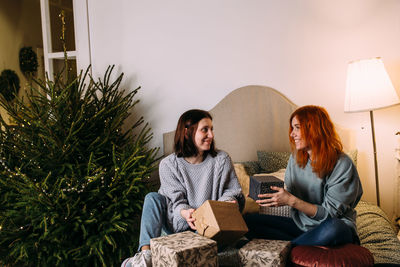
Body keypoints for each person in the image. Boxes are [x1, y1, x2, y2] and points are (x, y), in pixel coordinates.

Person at [121, 109, 244, 267]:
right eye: (205, 130)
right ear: (187, 132)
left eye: (212, 129)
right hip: (179, 222)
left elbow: (232, 190)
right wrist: (185, 212)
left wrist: (227, 204)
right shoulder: (168, 164)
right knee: (152, 197)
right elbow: (175, 200)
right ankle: (145, 256)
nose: (211, 135)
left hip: (208, 227)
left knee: (209, 236)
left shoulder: (221, 159)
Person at [244, 105, 363, 246]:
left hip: (330, 226)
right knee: (247, 221)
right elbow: (290, 193)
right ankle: (303, 245)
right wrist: (271, 197)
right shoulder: (295, 158)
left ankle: (289, 250)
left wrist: (291, 201)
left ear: (314, 129)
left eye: (297, 128)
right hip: (301, 226)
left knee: (335, 228)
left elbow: (329, 215)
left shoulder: (342, 164)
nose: (292, 134)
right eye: (292, 128)